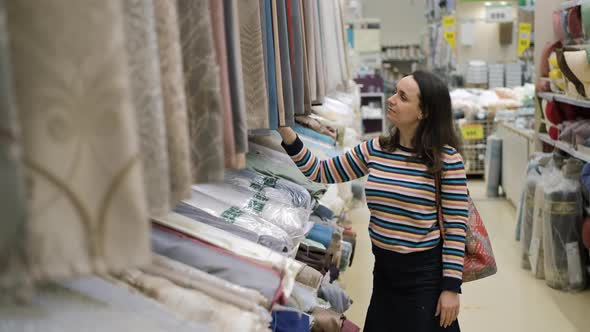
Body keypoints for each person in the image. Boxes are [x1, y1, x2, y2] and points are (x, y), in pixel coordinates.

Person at [278, 70, 468, 331]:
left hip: (425, 280)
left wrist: (450, 289)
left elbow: (457, 229)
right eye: (394, 92)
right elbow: (320, 171)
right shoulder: (376, 149)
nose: (391, 100)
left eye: (402, 97)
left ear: (423, 112)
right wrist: (285, 130)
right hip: (385, 276)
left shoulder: (447, 161)